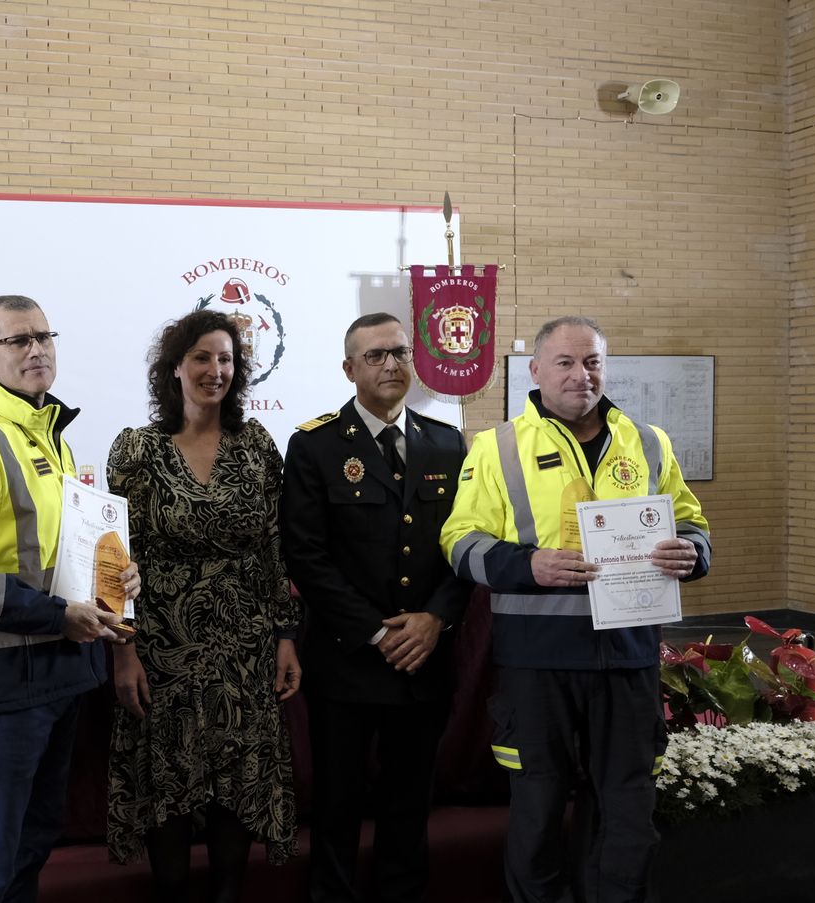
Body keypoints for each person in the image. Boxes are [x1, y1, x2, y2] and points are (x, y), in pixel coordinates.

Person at [440, 316, 711, 903]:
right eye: (564, 362)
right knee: (537, 814)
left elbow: (690, 519)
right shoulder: (497, 446)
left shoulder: (648, 440)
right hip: (537, 666)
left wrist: (693, 550)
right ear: (535, 371)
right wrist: (526, 565)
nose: (580, 374)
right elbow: (459, 541)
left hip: (629, 658)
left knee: (629, 813)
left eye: (591, 361)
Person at [0, 294, 140, 903]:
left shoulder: (52, 437)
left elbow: (59, 560)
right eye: (19, 340)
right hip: (1, 688)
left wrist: (113, 580)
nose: (37, 348)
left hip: (59, 677)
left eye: (44, 336)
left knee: (31, 845)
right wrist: (58, 614)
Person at [106, 309, 301, 903]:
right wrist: (124, 652)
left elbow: (275, 548)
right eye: (201, 358)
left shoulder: (258, 446)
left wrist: (285, 638)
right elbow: (111, 560)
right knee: (167, 788)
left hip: (244, 647)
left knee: (236, 786)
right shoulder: (136, 450)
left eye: (226, 359)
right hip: (161, 650)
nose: (215, 370)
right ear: (173, 368)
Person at [281, 312, 472, 903]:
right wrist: (375, 632)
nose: (391, 365)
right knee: (338, 804)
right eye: (374, 356)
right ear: (349, 369)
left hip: (425, 658)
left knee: (409, 803)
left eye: (399, 353)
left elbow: (462, 544)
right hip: (348, 662)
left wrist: (436, 618)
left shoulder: (447, 442)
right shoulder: (314, 445)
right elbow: (305, 557)